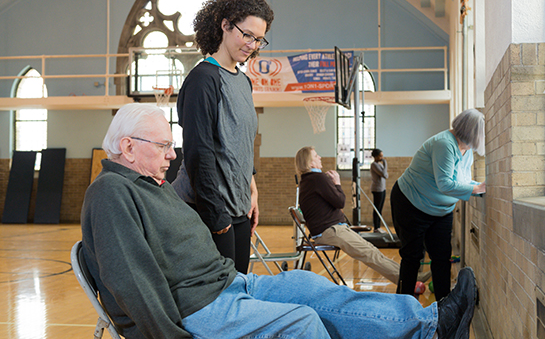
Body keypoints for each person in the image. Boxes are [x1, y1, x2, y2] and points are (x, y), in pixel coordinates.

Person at [81, 103, 479, 339]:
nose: (172, 154)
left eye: (173, 145)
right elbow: (131, 282)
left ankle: (430, 326)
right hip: (196, 309)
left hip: (227, 285)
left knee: (312, 287)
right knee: (303, 324)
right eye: (165, 145)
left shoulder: (151, 184)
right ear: (128, 147)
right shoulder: (111, 193)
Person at [172, 0, 274, 274]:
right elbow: (198, 153)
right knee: (220, 300)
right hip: (207, 210)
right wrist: (217, 218)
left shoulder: (244, 81)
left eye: (259, 40)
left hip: (238, 207)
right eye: (247, 35)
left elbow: (241, 142)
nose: (252, 46)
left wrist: (251, 190)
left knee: (239, 291)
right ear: (225, 25)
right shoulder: (203, 79)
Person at [391, 108, 486, 301]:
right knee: (413, 257)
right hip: (411, 203)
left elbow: (464, 181)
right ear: (470, 132)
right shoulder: (444, 144)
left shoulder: (466, 150)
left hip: (441, 211)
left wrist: (481, 186)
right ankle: (403, 308)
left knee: (442, 257)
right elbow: (445, 183)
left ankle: (444, 306)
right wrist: (476, 189)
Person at [295, 146, 401, 285]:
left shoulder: (307, 180)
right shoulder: (318, 178)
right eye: (316, 156)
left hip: (331, 229)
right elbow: (340, 201)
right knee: (370, 254)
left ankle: (407, 276)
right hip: (331, 231)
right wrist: (337, 183)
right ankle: (406, 281)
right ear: (310, 163)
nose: (320, 157)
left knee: (372, 251)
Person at [370, 148, 388, 233]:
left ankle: (378, 227)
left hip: (382, 188)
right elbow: (384, 174)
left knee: (380, 209)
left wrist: (384, 166)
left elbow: (386, 175)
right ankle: (376, 227)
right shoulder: (374, 165)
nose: (382, 157)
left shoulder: (379, 165)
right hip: (377, 189)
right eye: (380, 156)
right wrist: (385, 164)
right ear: (376, 156)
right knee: (377, 209)